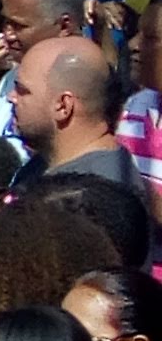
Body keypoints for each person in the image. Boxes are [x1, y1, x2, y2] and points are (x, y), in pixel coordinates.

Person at [11, 34, 148, 218]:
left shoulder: (96, 199)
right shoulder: (43, 164)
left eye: (22, 91)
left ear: (63, 106)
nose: (11, 97)